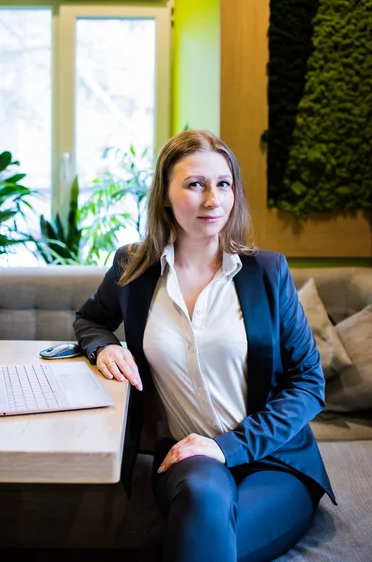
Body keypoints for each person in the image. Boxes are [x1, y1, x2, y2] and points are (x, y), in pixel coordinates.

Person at [74, 129, 336, 562]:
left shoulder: (267, 272)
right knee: (203, 503)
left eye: (223, 184)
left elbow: (308, 383)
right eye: (195, 184)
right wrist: (104, 347)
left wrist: (227, 447)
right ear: (164, 196)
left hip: (275, 460)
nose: (213, 199)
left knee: (199, 541)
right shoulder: (133, 268)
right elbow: (89, 319)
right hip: (189, 457)